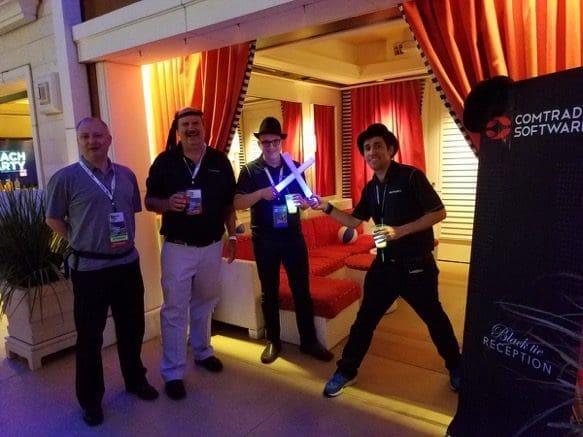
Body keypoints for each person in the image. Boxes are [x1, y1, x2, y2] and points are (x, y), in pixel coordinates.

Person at [313, 123, 462, 397]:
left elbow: (439, 212)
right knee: (364, 320)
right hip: (384, 266)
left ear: (391, 149)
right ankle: (346, 370)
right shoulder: (371, 189)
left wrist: (399, 231)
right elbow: (354, 221)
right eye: (367, 148)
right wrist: (327, 207)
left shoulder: (411, 177)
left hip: (417, 265)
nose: (372, 152)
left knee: (434, 318)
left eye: (378, 146)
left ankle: (457, 366)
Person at [46, 117, 158, 427]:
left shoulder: (126, 175)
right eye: (85, 136)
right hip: (90, 269)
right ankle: (91, 400)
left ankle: (135, 379)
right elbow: (53, 219)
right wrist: (79, 239)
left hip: (126, 264)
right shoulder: (65, 178)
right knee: (90, 337)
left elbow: (131, 211)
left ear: (109, 139)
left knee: (132, 328)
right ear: (78, 140)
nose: (92, 141)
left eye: (98, 135)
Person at [145, 107, 237, 401]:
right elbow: (149, 201)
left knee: (205, 302)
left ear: (203, 126)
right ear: (178, 130)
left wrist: (233, 235)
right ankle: (172, 372)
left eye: (195, 123)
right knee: (174, 309)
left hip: (212, 245)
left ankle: (202, 351)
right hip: (178, 248)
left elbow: (229, 204)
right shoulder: (165, 161)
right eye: (185, 124)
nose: (191, 128)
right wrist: (166, 204)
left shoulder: (220, 161)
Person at [233, 116, 333, 364]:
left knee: (301, 289)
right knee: (269, 291)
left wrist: (305, 202)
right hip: (264, 238)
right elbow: (237, 202)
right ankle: (273, 341)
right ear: (260, 143)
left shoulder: (294, 167)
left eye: (275, 141)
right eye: (265, 142)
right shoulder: (250, 171)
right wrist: (261, 193)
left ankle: (308, 341)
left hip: (292, 237)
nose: (270, 146)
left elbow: (307, 202)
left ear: (281, 142)